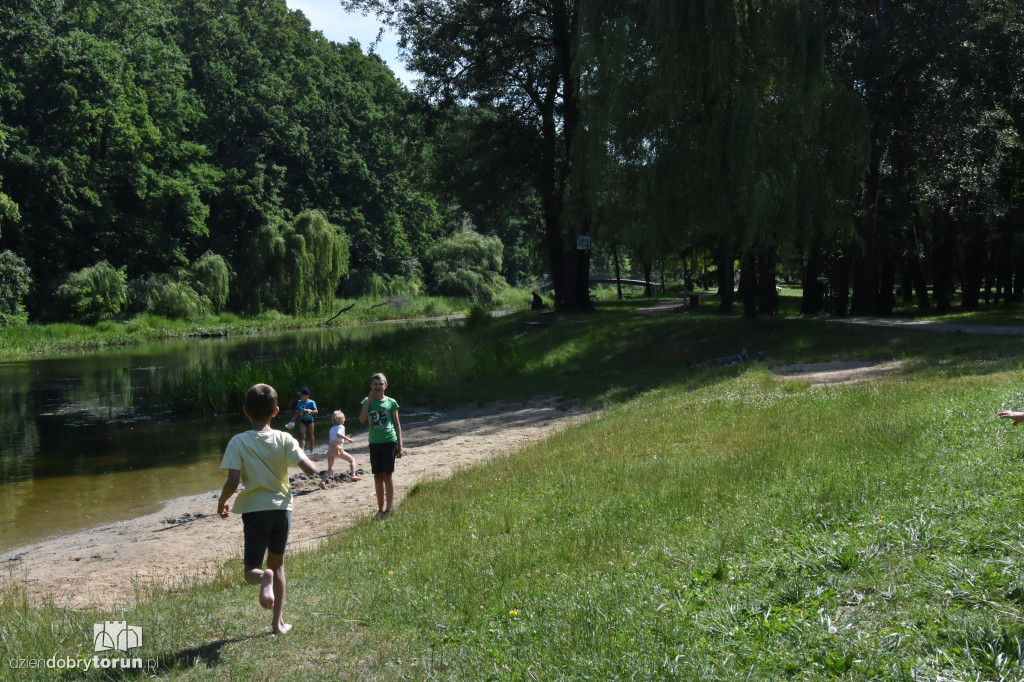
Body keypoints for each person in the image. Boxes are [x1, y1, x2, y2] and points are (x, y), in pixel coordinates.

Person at [218, 383, 324, 634]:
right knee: (278, 565)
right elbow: (310, 469)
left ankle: (262, 578)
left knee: (251, 570)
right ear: (276, 411)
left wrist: (222, 502)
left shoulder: (238, 441)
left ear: (245, 410)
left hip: (255, 511)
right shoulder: (285, 438)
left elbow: (233, 481)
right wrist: (311, 463)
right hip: (282, 510)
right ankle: (277, 624)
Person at [359, 372, 403, 519]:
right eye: (375, 384)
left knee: (387, 475)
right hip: (374, 443)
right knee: (377, 476)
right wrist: (369, 398)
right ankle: (380, 509)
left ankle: (389, 509)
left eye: (380, 384)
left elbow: (397, 425)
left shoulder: (391, 402)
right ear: (371, 386)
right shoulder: (368, 401)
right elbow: (362, 419)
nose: (378, 386)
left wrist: (400, 445)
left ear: (386, 385)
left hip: (390, 442)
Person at [323, 410, 362, 484]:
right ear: (342, 420)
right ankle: (353, 475)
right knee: (352, 460)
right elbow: (338, 434)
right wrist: (347, 439)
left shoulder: (331, 429)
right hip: (338, 448)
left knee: (330, 469)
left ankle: (322, 482)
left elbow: (335, 437)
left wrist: (344, 437)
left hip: (331, 448)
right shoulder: (341, 427)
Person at [288, 388, 318, 454]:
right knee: (302, 435)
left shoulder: (312, 402)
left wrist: (311, 411)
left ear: (307, 396)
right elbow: (299, 412)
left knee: (311, 435)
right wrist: (293, 418)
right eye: (300, 396)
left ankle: (312, 450)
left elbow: (316, 411)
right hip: (302, 421)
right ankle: (302, 451)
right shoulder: (299, 402)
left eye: (302, 395)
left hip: (310, 421)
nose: (300, 397)